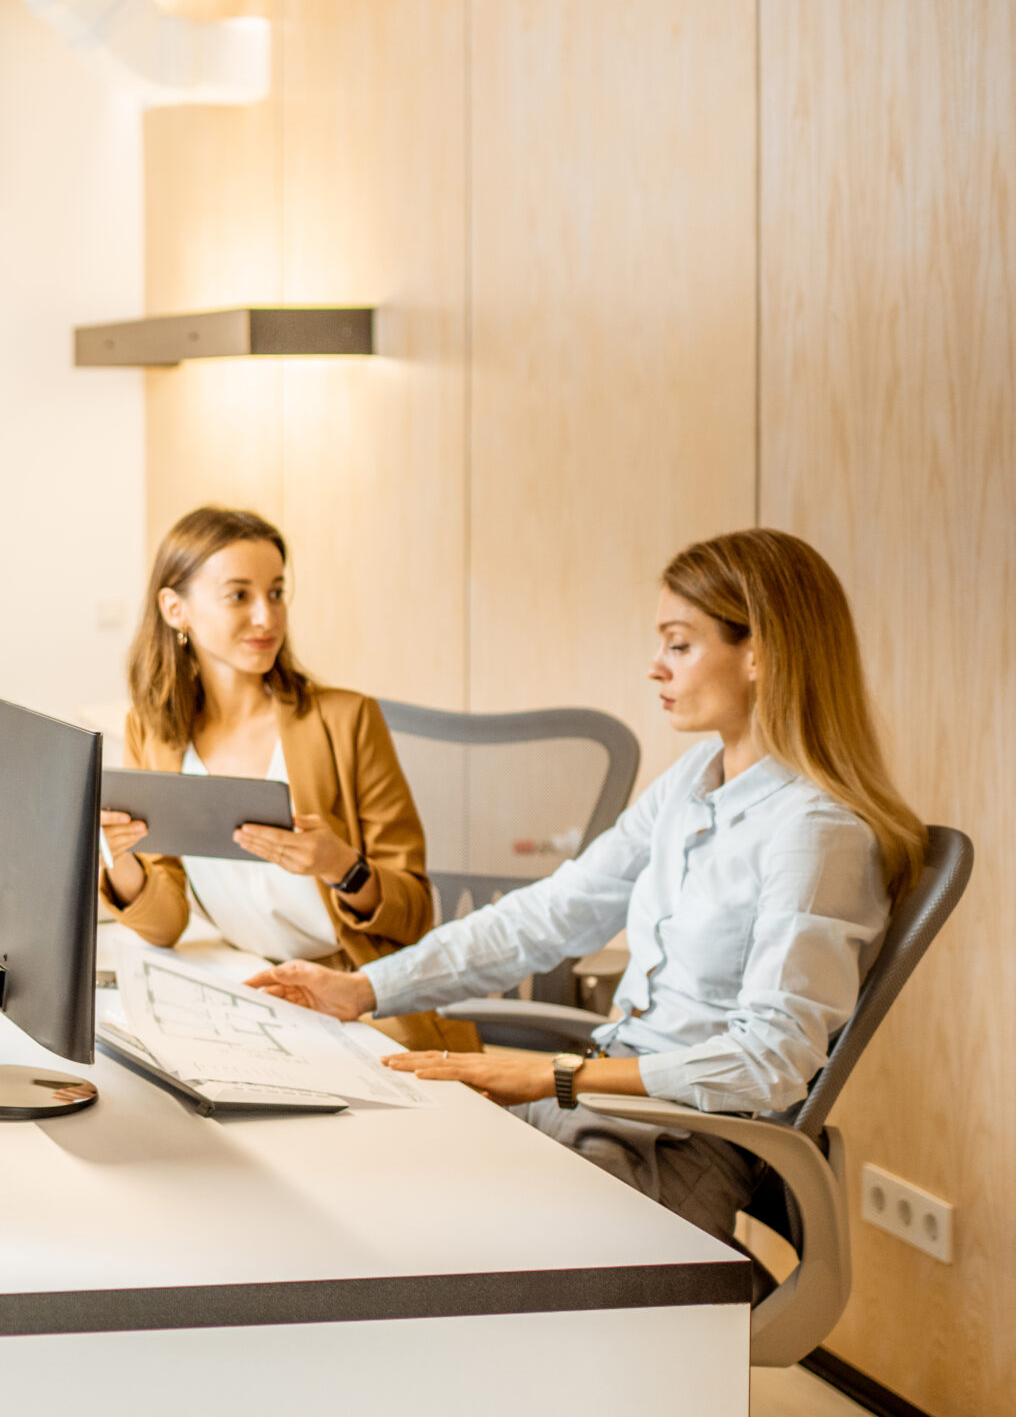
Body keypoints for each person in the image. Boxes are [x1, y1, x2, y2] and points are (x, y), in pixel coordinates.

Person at [251, 527, 922, 1240]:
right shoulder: (695, 778)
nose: (655, 668)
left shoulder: (816, 830)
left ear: (760, 652)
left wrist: (554, 1077)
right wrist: (368, 989)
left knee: (432, 1231)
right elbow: (552, 913)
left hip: (684, 1138)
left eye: (679, 644)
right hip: (604, 1098)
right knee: (368, 1166)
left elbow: (771, 1061)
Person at [99, 505, 462, 1049]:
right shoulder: (154, 732)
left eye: (276, 592)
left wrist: (340, 865)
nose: (267, 617)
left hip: (353, 999)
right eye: (239, 595)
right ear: (176, 609)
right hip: (243, 989)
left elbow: (414, 914)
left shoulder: (347, 720)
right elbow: (165, 924)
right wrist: (119, 855)